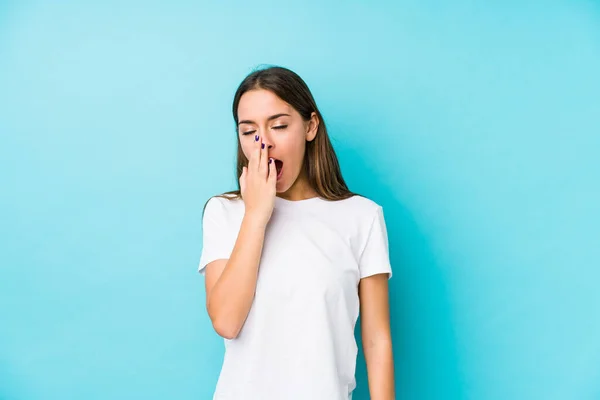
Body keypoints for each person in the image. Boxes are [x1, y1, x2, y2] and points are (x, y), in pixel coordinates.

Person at [198, 65, 395, 400]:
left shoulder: (362, 217)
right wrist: (257, 215)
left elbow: (377, 341)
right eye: (249, 132)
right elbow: (227, 322)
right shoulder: (224, 213)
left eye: (279, 126)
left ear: (310, 126)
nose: (265, 143)